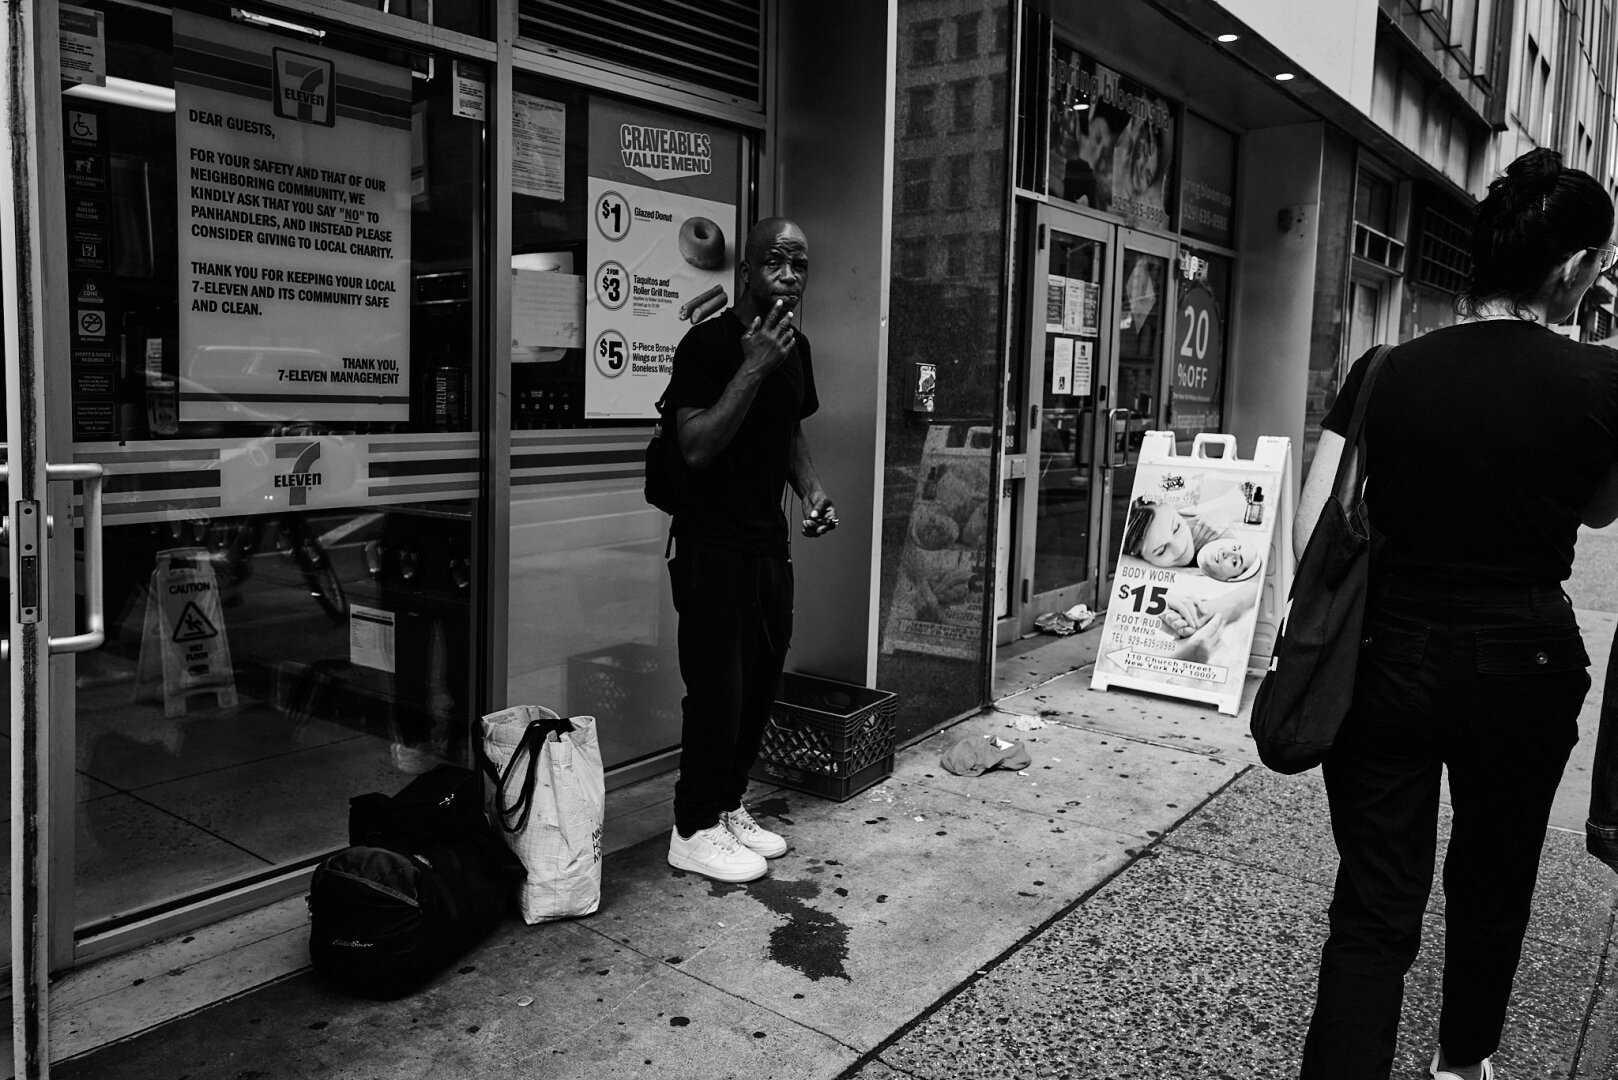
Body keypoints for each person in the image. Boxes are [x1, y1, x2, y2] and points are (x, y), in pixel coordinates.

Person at [1294, 148, 1618, 1080]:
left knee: (1374, 900)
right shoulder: (1602, 385)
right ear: (1569, 270)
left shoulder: (1383, 368)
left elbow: (1321, 518)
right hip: (1525, 662)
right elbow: (1598, 510)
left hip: (1387, 653)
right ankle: (1460, 1062)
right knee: (1493, 881)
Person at [660, 217, 837, 884]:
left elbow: (788, 430)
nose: (790, 276)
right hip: (711, 547)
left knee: (760, 683)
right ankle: (692, 826)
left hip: (768, 543)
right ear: (746, 271)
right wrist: (754, 366)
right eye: (776, 262)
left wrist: (813, 491)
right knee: (717, 692)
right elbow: (697, 444)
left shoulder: (800, 347)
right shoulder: (706, 345)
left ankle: (728, 805)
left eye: (800, 264)